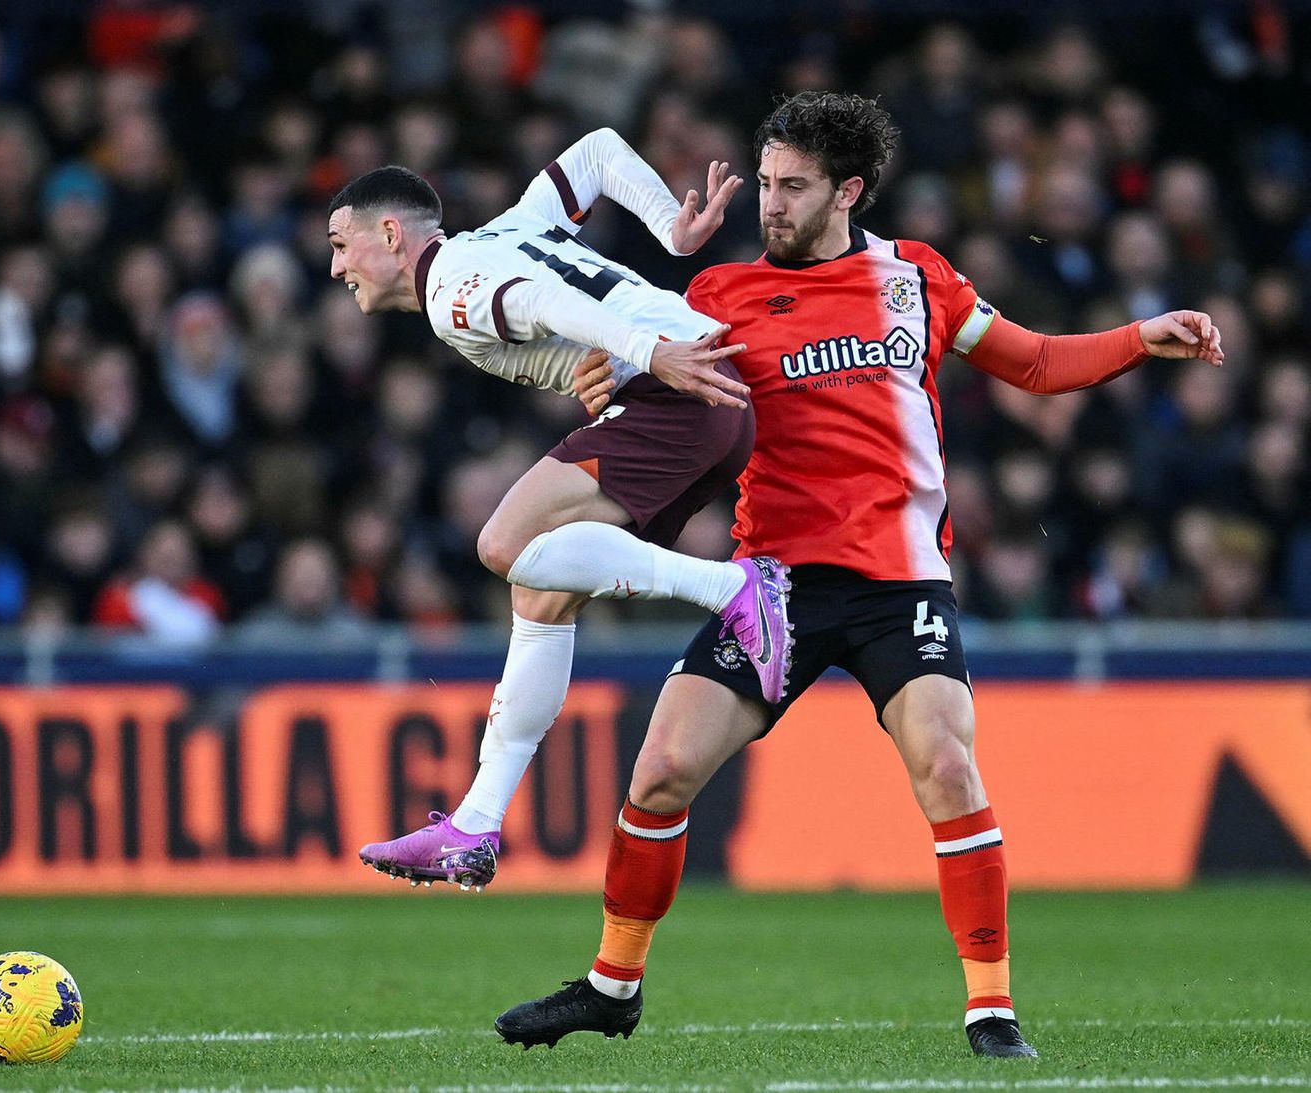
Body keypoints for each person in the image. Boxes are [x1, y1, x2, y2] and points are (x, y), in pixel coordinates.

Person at [493, 91, 1224, 1059]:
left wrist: (1139, 337)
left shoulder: (914, 278)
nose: (770, 205)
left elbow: (1036, 364)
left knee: (946, 765)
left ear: (848, 188)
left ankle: (990, 1009)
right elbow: (635, 381)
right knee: (661, 771)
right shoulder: (712, 297)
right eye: (762, 184)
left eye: (791, 187)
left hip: (897, 583)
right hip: (768, 590)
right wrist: (604, 375)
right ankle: (610, 984)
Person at [326, 130, 794, 890]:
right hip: (710, 389)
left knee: (503, 542)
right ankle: (476, 822)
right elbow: (600, 152)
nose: (338, 265)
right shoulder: (509, 229)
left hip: (676, 382)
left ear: (390, 233)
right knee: (540, 593)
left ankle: (736, 590)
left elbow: (547, 299)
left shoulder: (450, 290)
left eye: (342, 244)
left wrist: (645, 353)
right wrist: (668, 227)